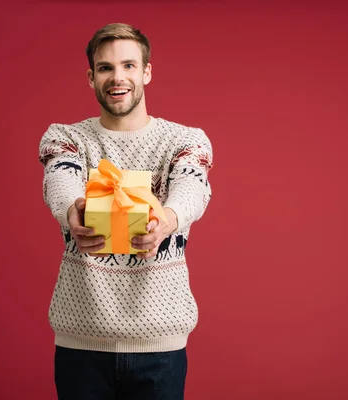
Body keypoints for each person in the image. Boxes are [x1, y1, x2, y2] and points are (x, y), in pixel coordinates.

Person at [38, 22, 213, 400]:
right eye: (105, 68)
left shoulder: (185, 140)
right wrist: (72, 211)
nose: (118, 77)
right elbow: (59, 180)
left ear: (146, 72)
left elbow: (192, 188)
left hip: (160, 345)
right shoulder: (67, 138)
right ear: (91, 77)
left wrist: (166, 220)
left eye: (129, 65)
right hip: (80, 343)